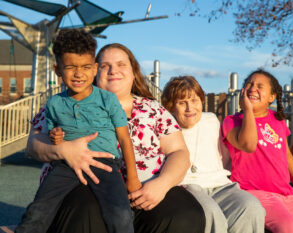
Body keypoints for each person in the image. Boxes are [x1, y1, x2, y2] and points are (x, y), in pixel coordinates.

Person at [26, 43, 205, 233]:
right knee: (85, 212)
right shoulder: (64, 103)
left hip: (147, 190)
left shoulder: (153, 110)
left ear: (133, 72)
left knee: (186, 214)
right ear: (95, 72)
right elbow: (33, 145)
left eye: (121, 64)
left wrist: (162, 184)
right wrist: (63, 150)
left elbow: (179, 151)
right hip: (84, 184)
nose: (113, 71)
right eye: (105, 66)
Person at [16, 29, 141, 233]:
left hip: (106, 164)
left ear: (94, 69)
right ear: (57, 70)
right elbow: (52, 136)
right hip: (65, 166)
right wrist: (55, 136)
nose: (78, 73)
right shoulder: (55, 103)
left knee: (120, 214)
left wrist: (133, 179)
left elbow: (124, 139)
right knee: (38, 210)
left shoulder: (107, 99)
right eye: (70, 67)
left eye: (85, 67)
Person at [221, 69, 293, 233]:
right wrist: (248, 110)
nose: (253, 88)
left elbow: (287, 155)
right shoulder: (231, 121)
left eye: (260, 86)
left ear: (271, 97)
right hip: (254, 193)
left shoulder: (277, 120)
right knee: (290, 227)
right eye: (249, 84)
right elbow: (248, 145)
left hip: (285, 194)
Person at [161, 75, 265, 233]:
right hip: (187, 186)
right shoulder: (165, 128)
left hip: (219, 186)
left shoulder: (211, 121)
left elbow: (224, 157)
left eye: (194, 100)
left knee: (251, 206)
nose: (190, 108)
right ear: (171, 107)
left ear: (201, 101)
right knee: (210, 213)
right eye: (182, 103)